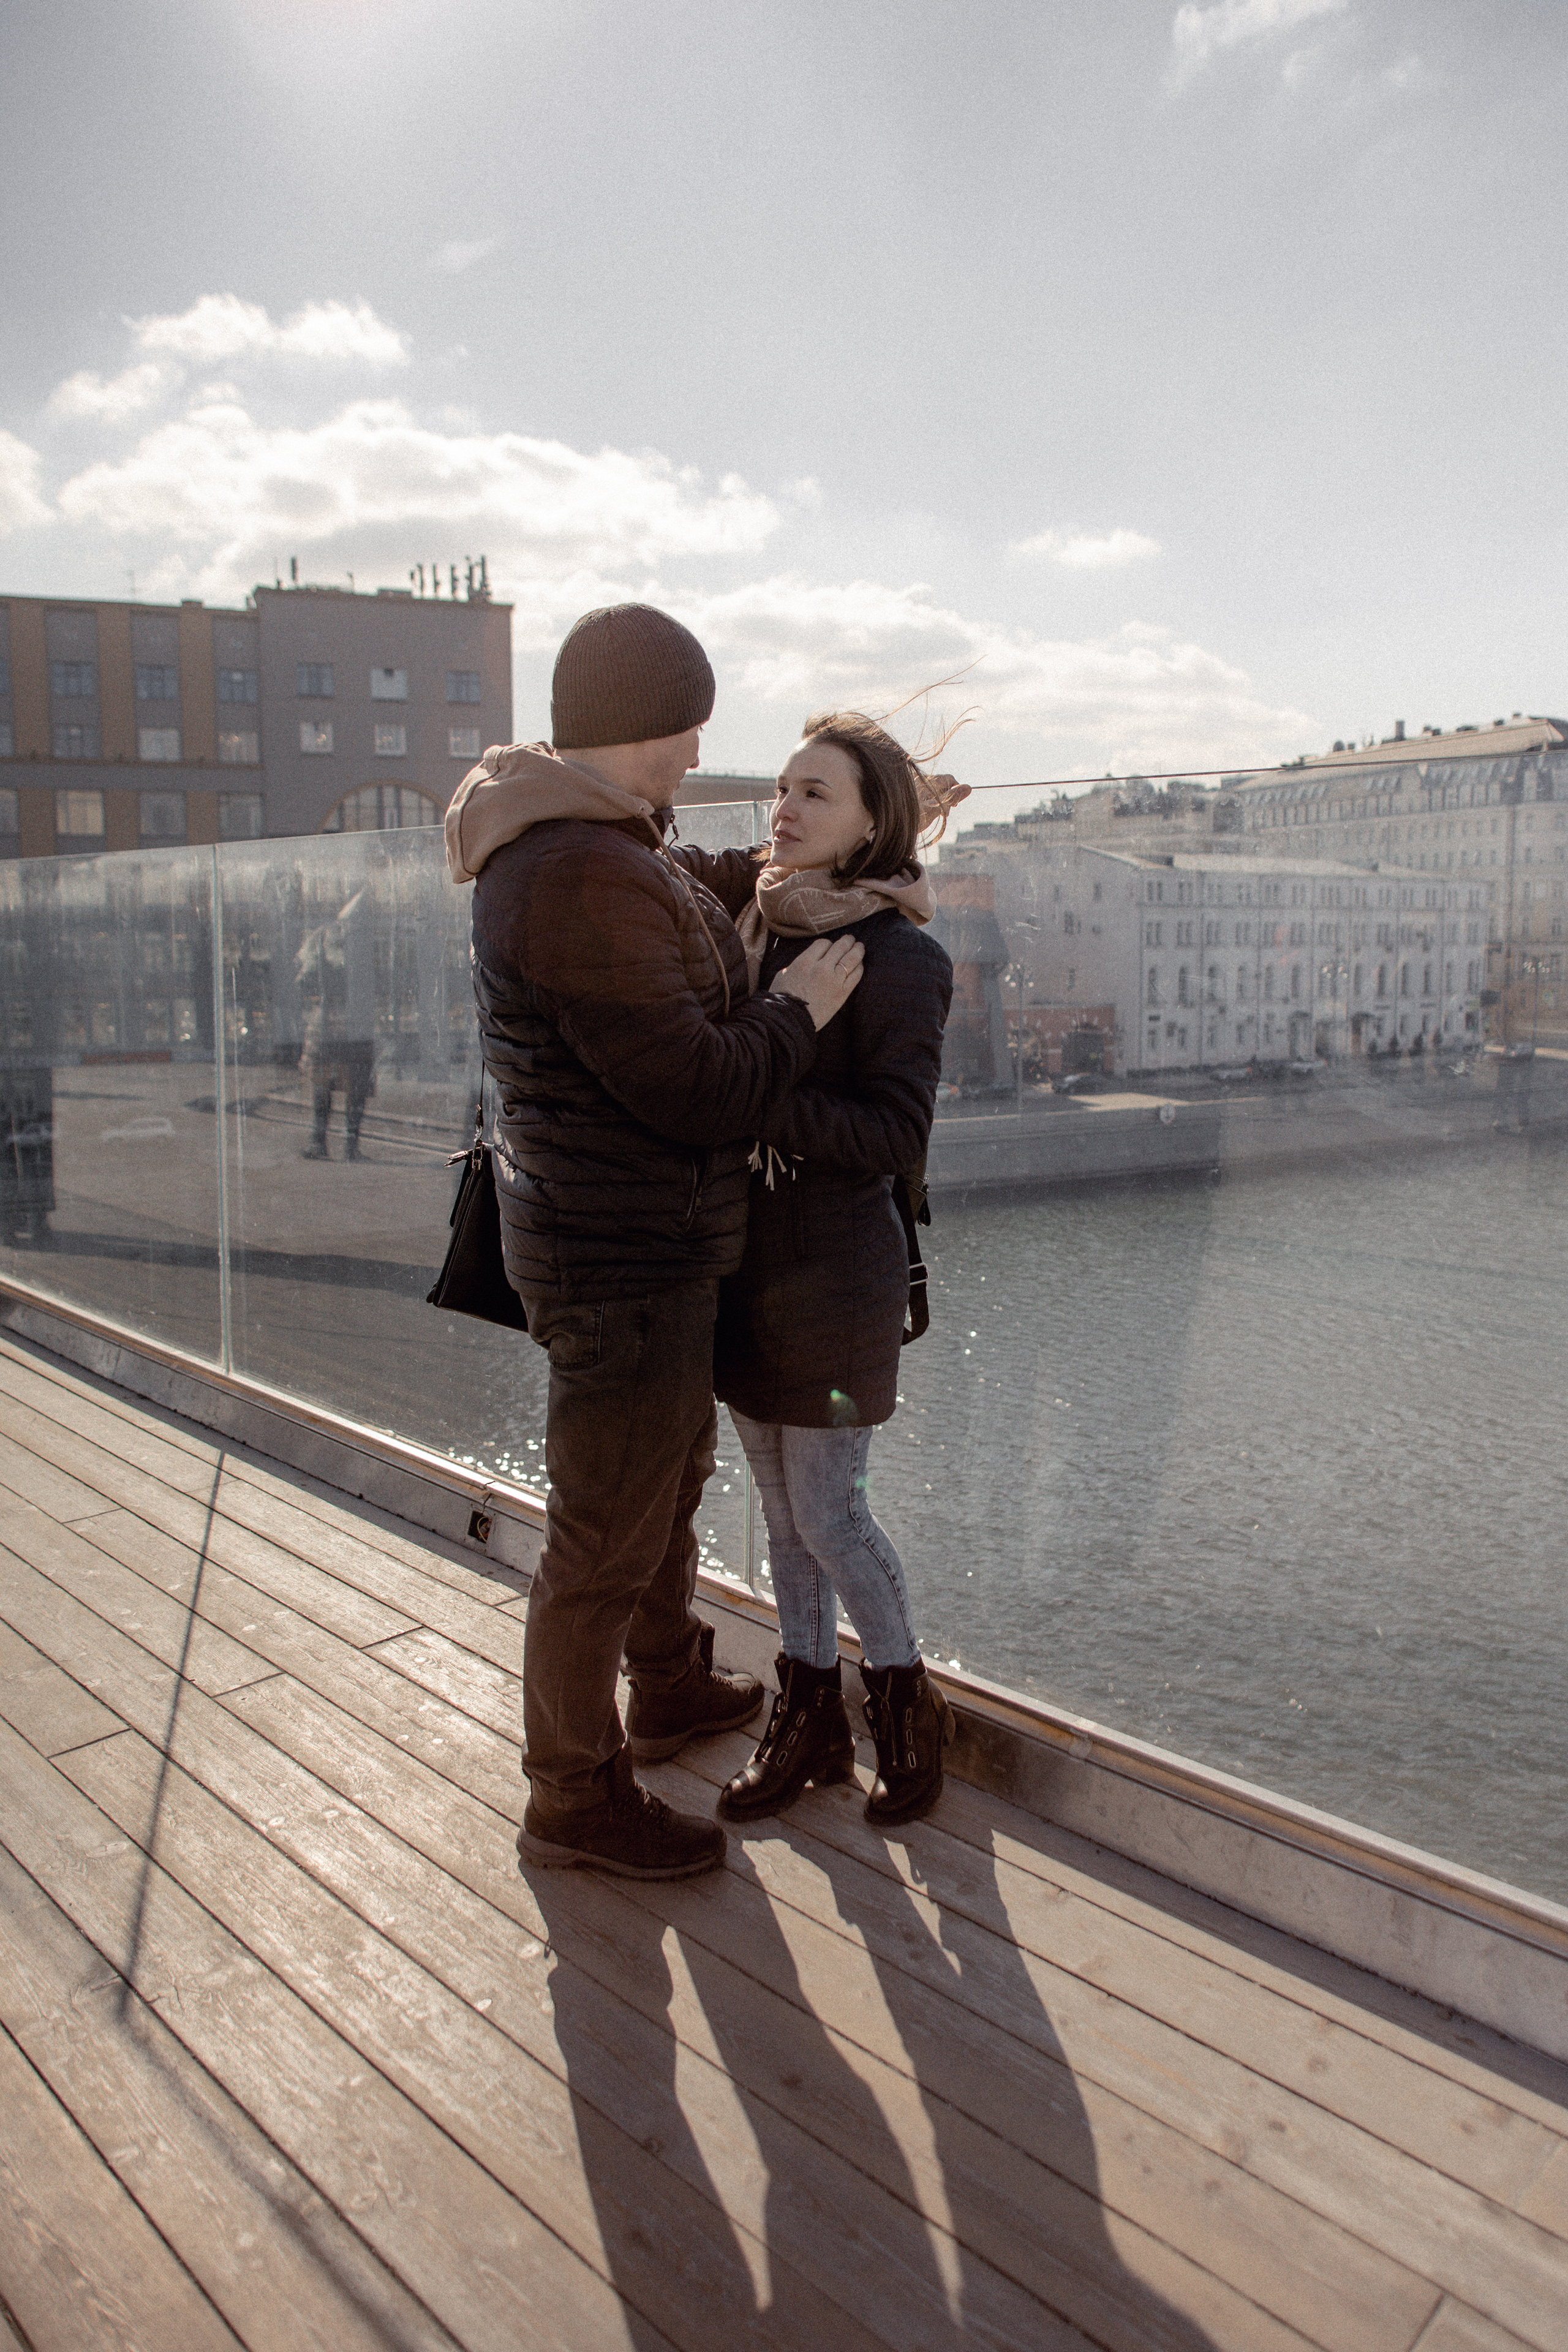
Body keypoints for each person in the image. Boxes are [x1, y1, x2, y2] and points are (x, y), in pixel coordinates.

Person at [448, 604, 864, 1881]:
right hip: (620, 1255)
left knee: (657, 1488)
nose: (697, 755)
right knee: (602, 1534)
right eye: (686, 730)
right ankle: (571, 1797)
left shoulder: (594, 845)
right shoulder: (575, 872)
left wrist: (782, 871)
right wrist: (796, 1009)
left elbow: (683, 896)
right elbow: (696, 1086)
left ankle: (671, 1681)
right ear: (636, 729)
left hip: (631, 1242)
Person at [705, 712, 959, 1828]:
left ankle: (905, 1704)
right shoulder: (755, 923)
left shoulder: (902, 957)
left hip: (838, 1285)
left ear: (869, 825)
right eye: (783, 787)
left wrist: (756, 1074)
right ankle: (808, 1715)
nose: (785, 808)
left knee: (832, 1517)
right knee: (778, 1510)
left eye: (816, 793)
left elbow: (895, 1135)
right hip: (746, 1271)